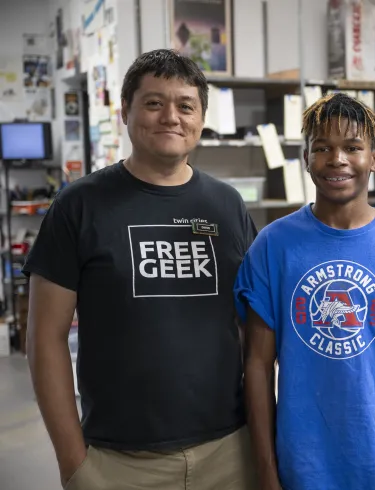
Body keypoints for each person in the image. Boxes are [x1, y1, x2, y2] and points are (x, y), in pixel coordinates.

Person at [24, 49, 258, 490]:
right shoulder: (79, 206)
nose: (171, 116)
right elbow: (44, 338)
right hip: (118, 462)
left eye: (185, 105)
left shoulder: (228, 206)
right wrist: (74, 463)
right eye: (154, 103)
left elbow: (250, 329)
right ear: (125, 112)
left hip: (230, 451)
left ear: (201, 117)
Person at [235, 93, 375, 490]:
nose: (337, 159)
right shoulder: (272, 245)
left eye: (352, 147)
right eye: (322, 148)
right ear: (306, 159)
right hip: (303, 470)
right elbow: (257, 366)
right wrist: (266, 471)